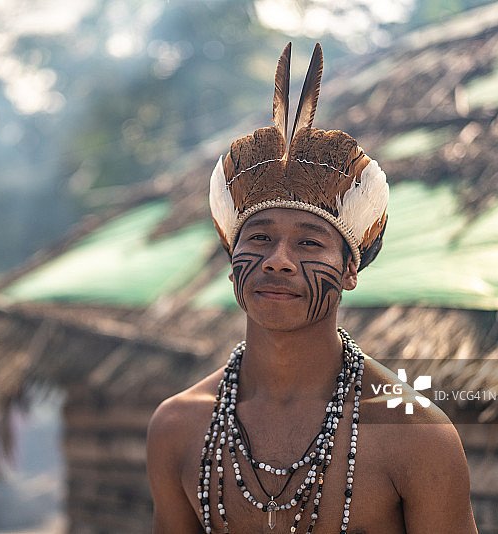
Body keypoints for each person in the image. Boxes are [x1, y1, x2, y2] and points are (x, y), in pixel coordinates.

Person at [146, 42, 477, 534]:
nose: (278, 261)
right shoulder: (178, 427)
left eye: (309, 243)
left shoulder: (415, 435)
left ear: (349, 271)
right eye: (259, 238)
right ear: (233, 267)